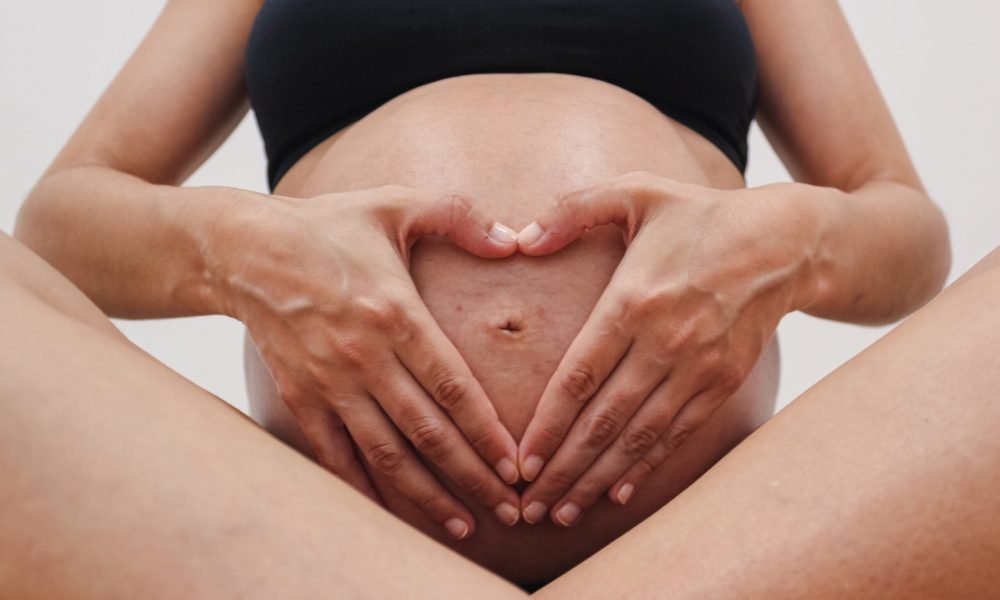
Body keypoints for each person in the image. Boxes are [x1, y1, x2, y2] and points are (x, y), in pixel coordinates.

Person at [10, 0, 956, 591]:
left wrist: (792, 239)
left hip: (741, 527)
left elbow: (903, 226)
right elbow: (62, 219)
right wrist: (236, 248)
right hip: (311, 519)